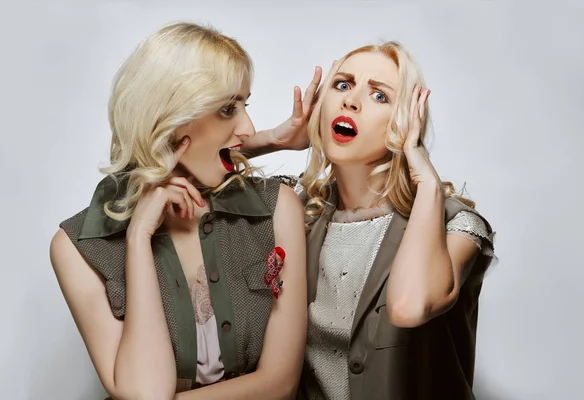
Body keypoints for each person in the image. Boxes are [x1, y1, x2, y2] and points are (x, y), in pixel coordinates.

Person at [49, 22, 319, 400]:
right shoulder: (79, 247)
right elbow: (146, 392)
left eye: (245, 104)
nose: (249, 127)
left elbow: (279, 383)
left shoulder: (274, 210)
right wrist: (139, 238)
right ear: (170, 117)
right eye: (228, 108)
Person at [245, 42, 496, 399]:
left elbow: (409, 306)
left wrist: (428, 185)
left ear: (406, 121)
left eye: (379, 96)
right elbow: (181, 172)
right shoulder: (300, 211)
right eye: (343, 85)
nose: (351, 101)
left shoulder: (457, 227)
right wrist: (275, 139)